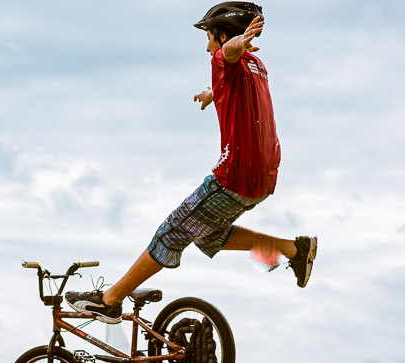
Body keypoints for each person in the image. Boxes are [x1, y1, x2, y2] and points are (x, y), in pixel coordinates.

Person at [66, 2, 317, 325]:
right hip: (262, 180)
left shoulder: (226, 55)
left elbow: (227, 55)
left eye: (211, 38)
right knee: (208, 235)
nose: (207, 47)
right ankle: (293, 249)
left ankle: (109, 300)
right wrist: (213, 93)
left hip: (233, 177)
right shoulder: (257, 66)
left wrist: (233, 45)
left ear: (223, 36)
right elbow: (239, 86)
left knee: (169, 234)